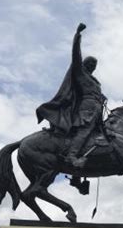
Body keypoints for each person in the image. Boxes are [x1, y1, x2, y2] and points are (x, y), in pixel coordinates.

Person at [36, 23, 106, 168]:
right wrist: (77, 35)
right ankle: (71, 156)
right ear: (85, 64)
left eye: (95, 65)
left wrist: (101, 97)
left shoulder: (94, 81)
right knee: (85, 131)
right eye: (91, 64)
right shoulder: (80, 73)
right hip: (87, 109)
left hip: (97, 109)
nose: (93, 66)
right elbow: (76, 55)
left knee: (99, 137)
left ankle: (80, 175)